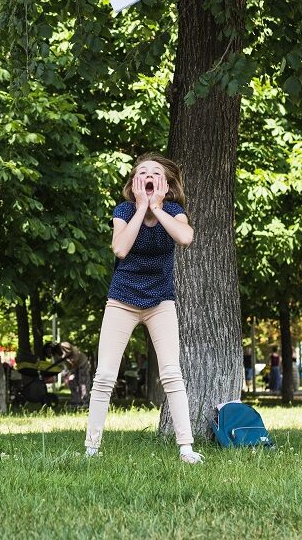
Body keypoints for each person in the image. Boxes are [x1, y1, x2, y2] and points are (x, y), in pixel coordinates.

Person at [84, 153, 203, 464]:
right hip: (122, 299)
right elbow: (120, 248)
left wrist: (157, 208)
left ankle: (186, 449)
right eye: (142, 172)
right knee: (104, 376)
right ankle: (91, 449)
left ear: (164, 183)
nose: (148, 175)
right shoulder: (123, 211)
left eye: (155, 172)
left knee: (172, 374)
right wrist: (140, 209)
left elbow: (185, 238)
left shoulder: (174, 211)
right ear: (135, 182)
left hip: (160, 301)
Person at [58, 341, 91, 408]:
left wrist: (68, 375)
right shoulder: (66, 355)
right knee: (73, 383)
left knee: (82, 384)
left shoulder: (74, 353)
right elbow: (69, 366)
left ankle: (85, 402)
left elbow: (73, 364)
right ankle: (76, 401)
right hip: (76, 368)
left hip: (82, 365)